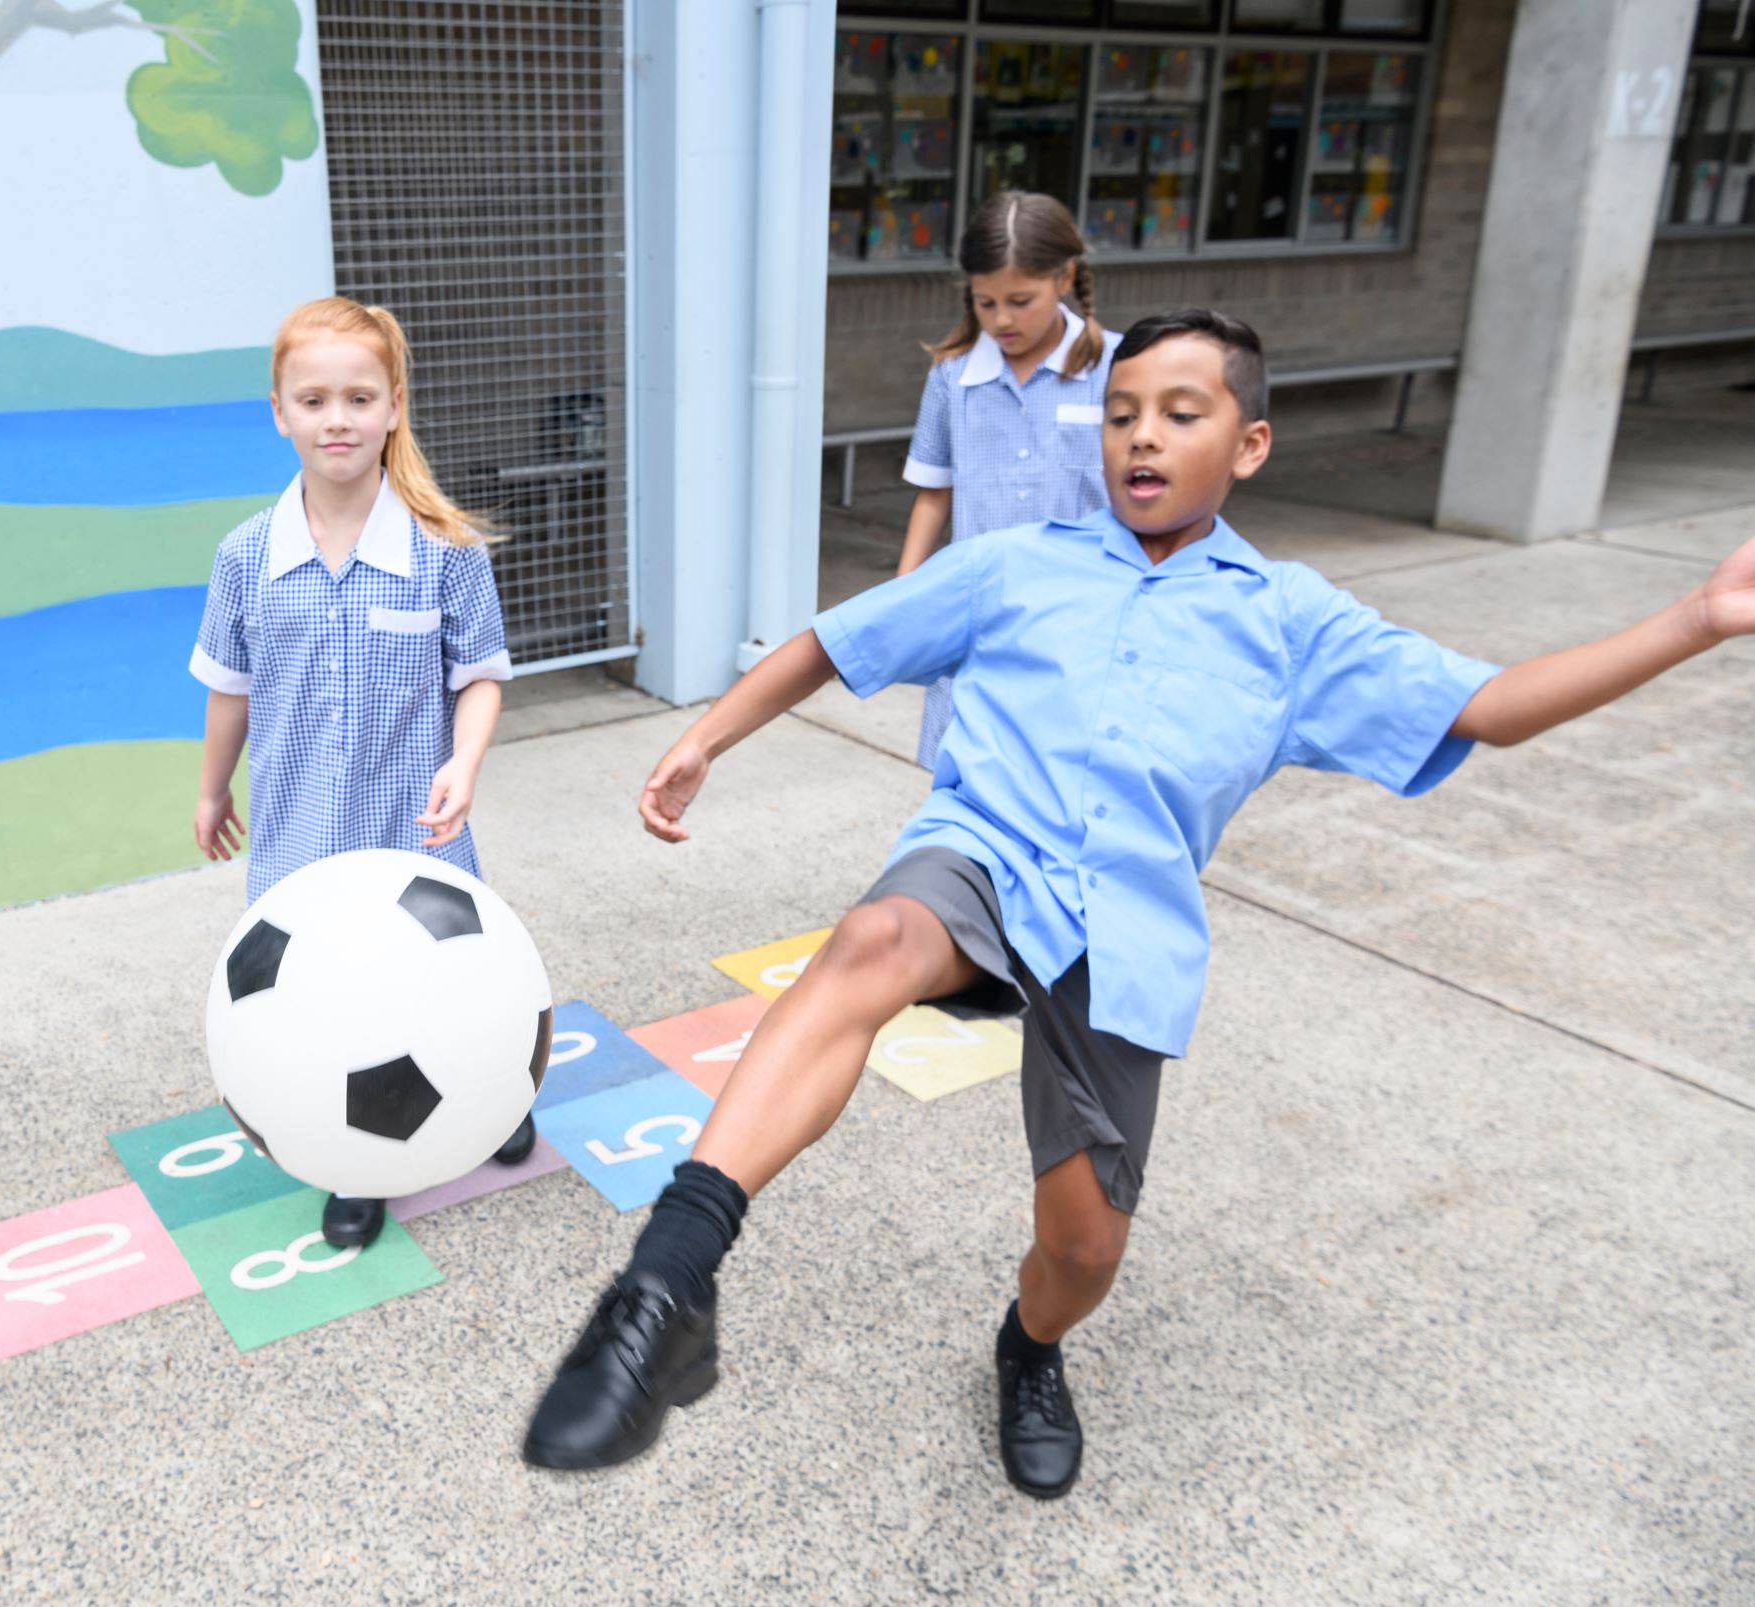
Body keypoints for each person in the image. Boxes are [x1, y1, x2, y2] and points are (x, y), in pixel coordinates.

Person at [519, 308, 1755, 1492]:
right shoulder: (1018, 566)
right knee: (870, 941)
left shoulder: (1292, 623)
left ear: (1249, 443)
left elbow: (1490, 702)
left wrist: (1700, 616)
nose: (1142, 437)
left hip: (1125, 933)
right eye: (1119, 415)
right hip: (982, 855)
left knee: (1084, 1247)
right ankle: (664, 1286)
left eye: (1179, 412)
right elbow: (840, 639)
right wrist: (707, 741)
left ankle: (1031, 1348)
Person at [188, 297, 537, 1250]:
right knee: (324, 1006)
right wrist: (214, 788)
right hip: (300, 841)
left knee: (458, 988)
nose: (334, 417)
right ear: (279, 413)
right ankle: (351, 1163)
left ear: (393, 407)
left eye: (356, 396)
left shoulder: (445, 550)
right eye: (312, 399)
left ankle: (496, 1099)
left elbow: (479, 680)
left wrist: (464, 763)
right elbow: (229, 689)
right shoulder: (245, 559)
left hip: (415, 836)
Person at [897, 190, 1117, 770]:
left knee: (1067, 774)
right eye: (985, 301)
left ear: (1065, 277)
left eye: (1021, 301)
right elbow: (934, 492)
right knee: (968, 775)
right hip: (978, 619)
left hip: (1086, 619)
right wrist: (904, 595)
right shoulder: (952, 377)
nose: (1001, 320)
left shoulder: (1118, 370)